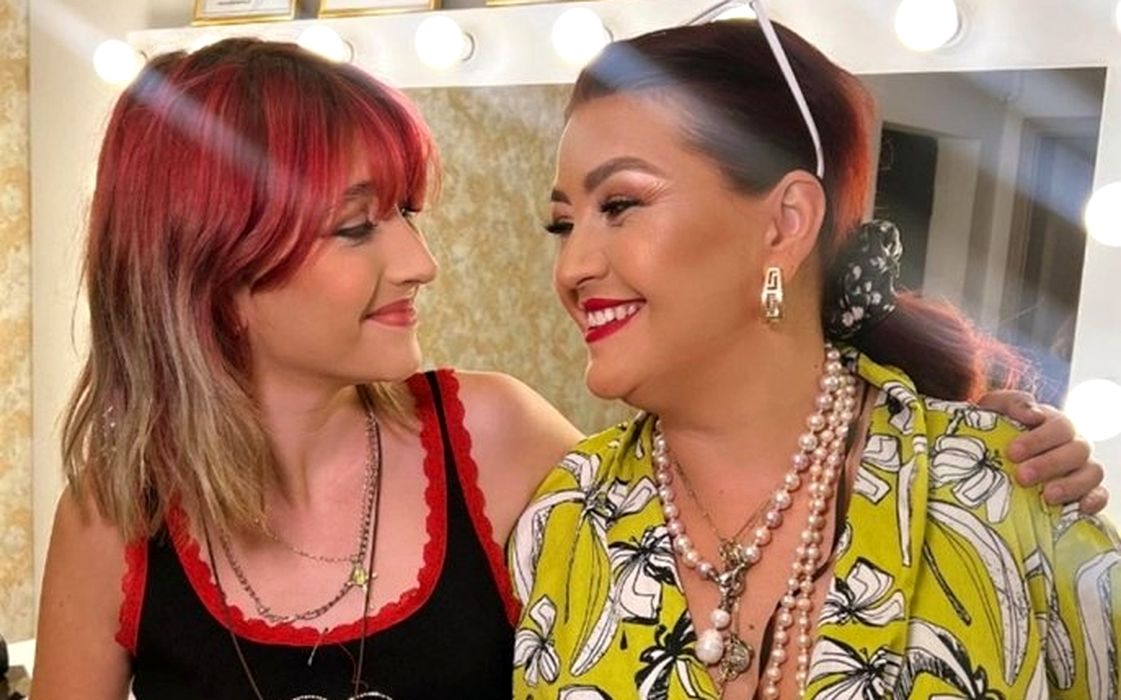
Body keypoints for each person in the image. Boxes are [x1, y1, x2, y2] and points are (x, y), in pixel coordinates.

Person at [30, 35, 1101, 700]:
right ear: (213, 261)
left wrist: (989, 455)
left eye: (619, 204)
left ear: (784, 221)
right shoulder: (582, 514)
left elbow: (760, 457)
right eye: (359, 226)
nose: (422, 262)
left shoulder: (512, 458)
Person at [510, 11, 1121, 700]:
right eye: (562, 225)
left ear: (785, 223)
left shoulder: (993, 490)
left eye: (620, 204)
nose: (572, 267)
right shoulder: (565, 516)